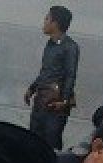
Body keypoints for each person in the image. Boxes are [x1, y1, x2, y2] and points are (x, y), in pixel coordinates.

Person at [23, 5, 78, 151]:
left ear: (55, 23)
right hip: (41, 99)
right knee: (34, 138)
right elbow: (46, 71)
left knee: (51, 141)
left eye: (47, 18)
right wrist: (32, 88)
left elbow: (70, 75)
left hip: (55, 103)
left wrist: (64, 100)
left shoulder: (70, 47)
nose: (44, 22)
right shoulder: (50, 44)